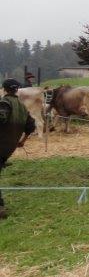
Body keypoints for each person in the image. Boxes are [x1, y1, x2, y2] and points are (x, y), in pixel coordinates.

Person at [0, 79, 37, 219]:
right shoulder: (22, 106)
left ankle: (0, 207)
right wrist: (22, 141)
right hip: (9, 148)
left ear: (4, 89)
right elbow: (31, 126)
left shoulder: (5, 102)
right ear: (16, 90)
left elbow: (1, 118)